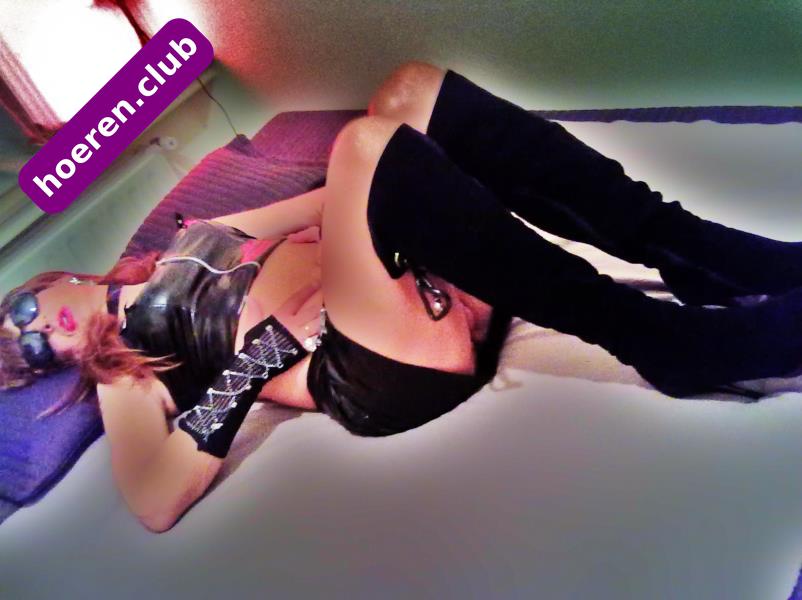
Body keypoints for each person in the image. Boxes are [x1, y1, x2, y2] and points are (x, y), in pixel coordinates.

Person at [2, 61, 802, 533]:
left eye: (22, 314)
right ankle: (669, 341)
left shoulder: (198, 231)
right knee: (363, 144)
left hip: (415, 287)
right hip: (368, 366)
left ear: (51, 281)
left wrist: (370, 206)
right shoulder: (123, 368)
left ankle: (701, 255)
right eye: (31, 351)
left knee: (408, 93)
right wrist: (259, 359)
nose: (43, 335)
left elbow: (330, 200)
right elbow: (152, 500)